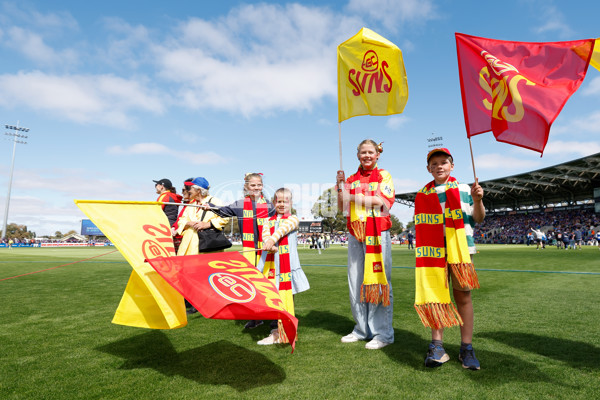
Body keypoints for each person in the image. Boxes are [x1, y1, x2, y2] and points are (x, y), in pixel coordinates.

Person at [414, 147, 485, 370]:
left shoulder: (465, 189)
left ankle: (467, 348)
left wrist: (478, 200)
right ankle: (437, 347)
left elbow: (478, 218)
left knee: (463, 297)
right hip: (433, 253)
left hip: (462, 252)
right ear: (428, 169)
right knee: (436, 297)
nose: (439, 167)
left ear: (451, 166)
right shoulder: (423, 194)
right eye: (434, 164)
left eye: (443, 162)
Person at [335, 139, 395, 350]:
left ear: (377, 154)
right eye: (363, 153)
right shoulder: (351, 179)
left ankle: (383, 334)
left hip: (378, 233)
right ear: (357, 155)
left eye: (370, 152)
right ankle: (361, 329)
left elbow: (381, 202)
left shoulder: (384, 175)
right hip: (355, 234)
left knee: (378, 281)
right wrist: (341, 186)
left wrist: (351, 195)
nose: (367, 156)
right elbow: (342, 206)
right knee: (356, 282)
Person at [206, 173, 275, 329]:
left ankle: (274, 317)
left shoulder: (270, 206)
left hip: (267, 251)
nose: (256, 188)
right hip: (250, 251)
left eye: (259, 185)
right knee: (251, 283)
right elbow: (223, 211)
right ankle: (255, 317)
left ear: (263, 186)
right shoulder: (239, 204)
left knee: (269, 284)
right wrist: (209, 207)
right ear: (246, 187)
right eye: (253, 185)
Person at [256, 188, 310, 345]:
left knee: (286, 298)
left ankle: (283, 331)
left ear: (291, 203)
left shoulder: (293, 219)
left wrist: (271, 241)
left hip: (287, 267)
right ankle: (276, 331)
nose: (282, 204)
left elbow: (281, 230)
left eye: (285, 201)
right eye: (279, 201)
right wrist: (268, 243)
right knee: (272, 298)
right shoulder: (267, 220)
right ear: (274, 203)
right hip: (271, 267)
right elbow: (265, 234)